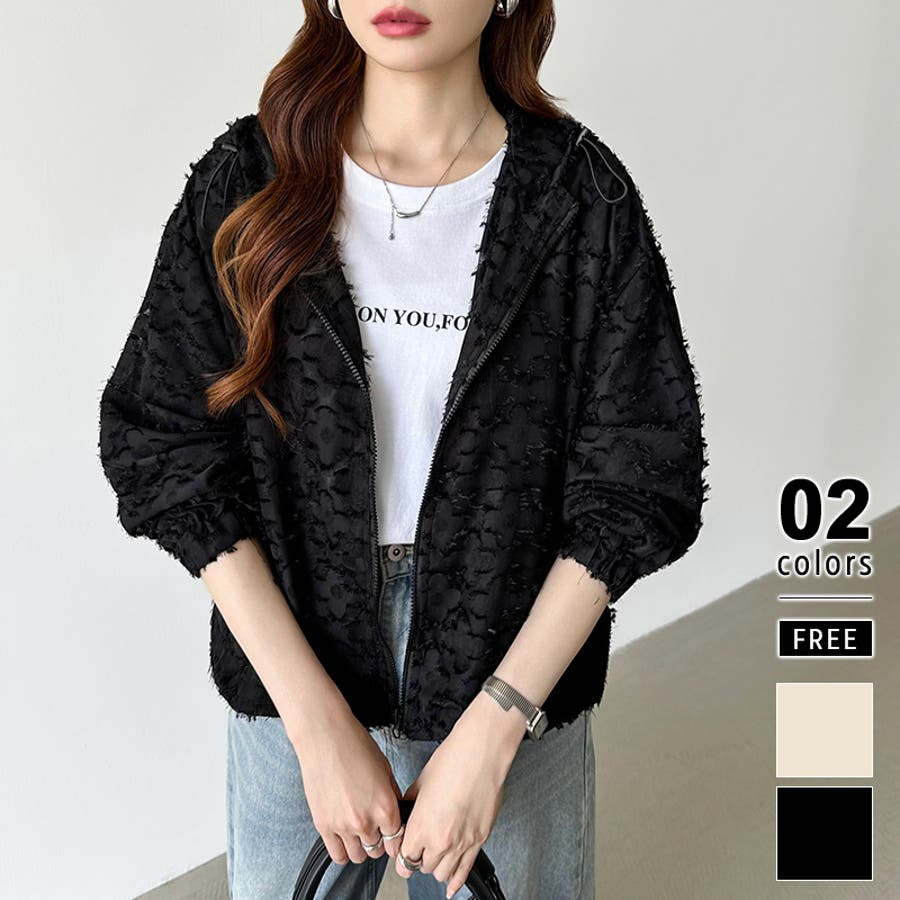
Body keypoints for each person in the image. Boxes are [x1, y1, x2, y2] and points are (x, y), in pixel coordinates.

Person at [98, 1, 709, 897]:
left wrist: (498, 725)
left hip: (516, 657)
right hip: (290, 655)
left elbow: (640, 478)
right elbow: (163, 444)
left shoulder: (581, 198)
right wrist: (313, 723)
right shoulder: (249, 179)